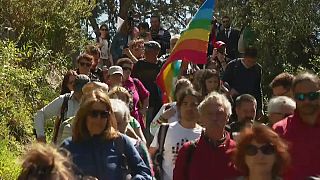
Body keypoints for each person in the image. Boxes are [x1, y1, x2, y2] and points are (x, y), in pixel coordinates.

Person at [61, 90, 152, 180]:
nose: (98, 119)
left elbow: (145, 174)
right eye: (94, 114)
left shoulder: (120, 142)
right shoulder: (69, 147)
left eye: (103, 114)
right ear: (84, 116)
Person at [173, 91, 239, 180]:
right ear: (201, 118)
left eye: (219, 113)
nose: (214, 118)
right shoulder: (188, 151)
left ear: (227, 117)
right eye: (209, 114)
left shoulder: (239, 152)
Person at [273, 72, 320, 180]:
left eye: (312, 96)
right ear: (294, 97)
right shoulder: (280, 130)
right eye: (301, 97)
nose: (307, 101)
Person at [149, 88, 203, 180]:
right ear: (179, 107)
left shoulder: (205, 135)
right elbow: (149, 155)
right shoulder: (165, 130)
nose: (189, 108)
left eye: (194, 104)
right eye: (185, 104)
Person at [34, 75, 90, 144]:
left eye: (82, 91)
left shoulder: (92, 105)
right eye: (78, 90)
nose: (80, 94)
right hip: (60, 149)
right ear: (73, 88)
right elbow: (40, 114)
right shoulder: (64, 100)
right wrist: (40, 136)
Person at [110, 98, 153, 176]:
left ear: (126, 121)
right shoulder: (99, 147)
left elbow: (148, 174)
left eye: (118, 123)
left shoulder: (137, 146)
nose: (115, 128)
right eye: (110, 124)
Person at [131, 41, 164, 142]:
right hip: (144, 103)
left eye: (148, 50)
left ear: (156, 52)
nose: (145, 52)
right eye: (145, 50)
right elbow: (134, 82)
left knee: (158, 129)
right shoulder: (139, 65)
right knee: (146, 131)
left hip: (159, 103)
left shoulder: (161, 64)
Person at [222, 47, 263, 118]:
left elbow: (258, 89)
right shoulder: (233, 66)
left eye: (253, 62)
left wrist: (260, 108)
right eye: (249, 61)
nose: (250, 64)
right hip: (234, 102)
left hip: (250, 102)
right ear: (244, 57)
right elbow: (223, 83)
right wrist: (230, 90)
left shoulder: (257, 69)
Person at [117, 58, 150, 130]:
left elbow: (146, 95)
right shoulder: (113, 82)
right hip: (119, 121)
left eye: (130, 69)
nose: (128, 71)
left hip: (135, 121)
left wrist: (144, 109)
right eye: (125, 68)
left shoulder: (135, 82)